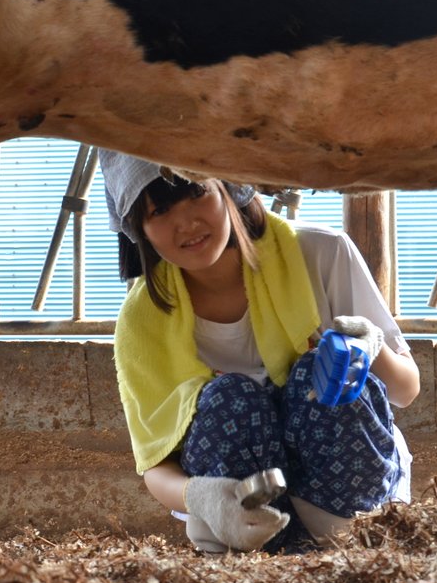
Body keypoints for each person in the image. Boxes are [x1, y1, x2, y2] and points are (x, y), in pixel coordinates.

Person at [99, 150, 419, 554]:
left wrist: (369, 346)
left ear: (229, 188)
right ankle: (242, 552)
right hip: (247, 523)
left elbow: (406, 390)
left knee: (312, 375)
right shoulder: (143, 322)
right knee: (228, 399)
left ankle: (346, 546)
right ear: (138, 230)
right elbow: (155, 464)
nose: (187, 223)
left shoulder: (321, 253)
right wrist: (201, 498)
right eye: (159, 210)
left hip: (351, 506)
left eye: (197, 192)